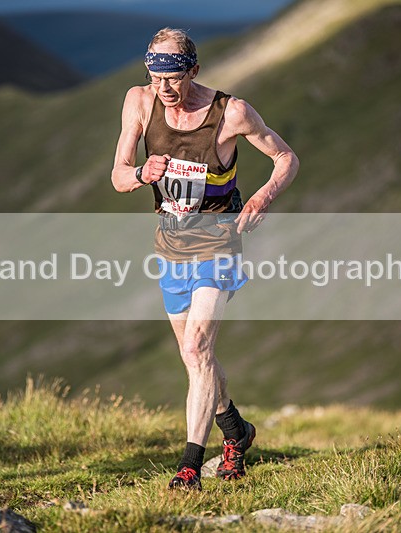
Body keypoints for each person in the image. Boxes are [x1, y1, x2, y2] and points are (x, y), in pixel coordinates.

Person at [111, 28, 299, 490]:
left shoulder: (231, 112)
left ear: (193, 70)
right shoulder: (138, 101)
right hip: (172, 245)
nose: (165, 89)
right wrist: (140, 172)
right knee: (194, 358)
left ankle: (190, 466)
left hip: (219, 241)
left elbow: (286, 158)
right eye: (156, 77)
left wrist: (262, 197)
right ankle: (235, 430)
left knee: (197, 348)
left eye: (174, 78)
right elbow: (117, 176)